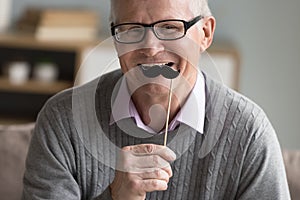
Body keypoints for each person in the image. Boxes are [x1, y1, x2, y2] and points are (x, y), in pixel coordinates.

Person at [22, 0, 291, 199]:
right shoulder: (62, 120)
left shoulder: (249, 132)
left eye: (171, 27)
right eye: (131, 29)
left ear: (205, 34)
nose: (150, 48)